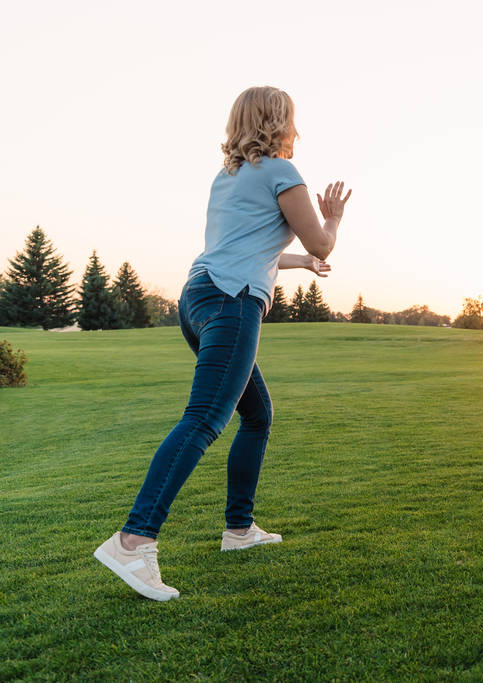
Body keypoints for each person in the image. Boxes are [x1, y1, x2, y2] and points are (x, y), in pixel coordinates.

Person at [94, 86, 353, 600]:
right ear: (280, 122)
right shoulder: (282, 172)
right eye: (293, 121)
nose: (296, 130)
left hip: (198, 297)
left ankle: (239, 530)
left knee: (256, 415)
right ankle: (133, 539)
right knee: (205, 418)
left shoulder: (229, 177)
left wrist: (300, 264)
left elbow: (250, 246)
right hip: (233, 303)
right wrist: (334, 219)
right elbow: (321, 240)